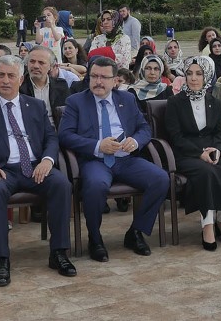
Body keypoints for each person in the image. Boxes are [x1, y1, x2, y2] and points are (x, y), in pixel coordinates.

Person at [0, 55, 76, 284]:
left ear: (20, 78)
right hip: (2, 169)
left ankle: (59, 253)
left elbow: (50, 137)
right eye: (1, 75)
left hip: (36, 167)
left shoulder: (35, 105)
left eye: (11, 75)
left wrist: (47, 160)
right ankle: (2, 259)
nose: (5, 80)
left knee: (62, 184)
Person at [58, 57, 168, 262]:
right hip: (95, 160)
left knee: (161, 179)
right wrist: (98, 146)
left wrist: (135, 141)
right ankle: (95, 238)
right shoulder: (76, 102)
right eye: (94, 76)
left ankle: (135, 232)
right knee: (96, 185)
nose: (98, 82)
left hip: (126, 159)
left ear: (115, 80)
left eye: (104, 77)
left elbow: (144, 128)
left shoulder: (126, 99)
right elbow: (65, 135)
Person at [165, 56, 221, 250]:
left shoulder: (214, 102)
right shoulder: (175, 102)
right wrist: (200, 153)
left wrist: (216, 149)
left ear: (206, 76)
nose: (193, 78)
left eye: (199, 74)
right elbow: (176, 137)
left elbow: (218, 132)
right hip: (186, 153)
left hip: (212, 149)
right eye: (189, 73)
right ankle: (207, 225)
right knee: (207, 173)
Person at [19, 46, 70, 113]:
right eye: (32, 61)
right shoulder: (19, 86)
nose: (35, 66)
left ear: (51, 67)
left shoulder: (61, 85)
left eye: (41, 63)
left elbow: (66, 113)